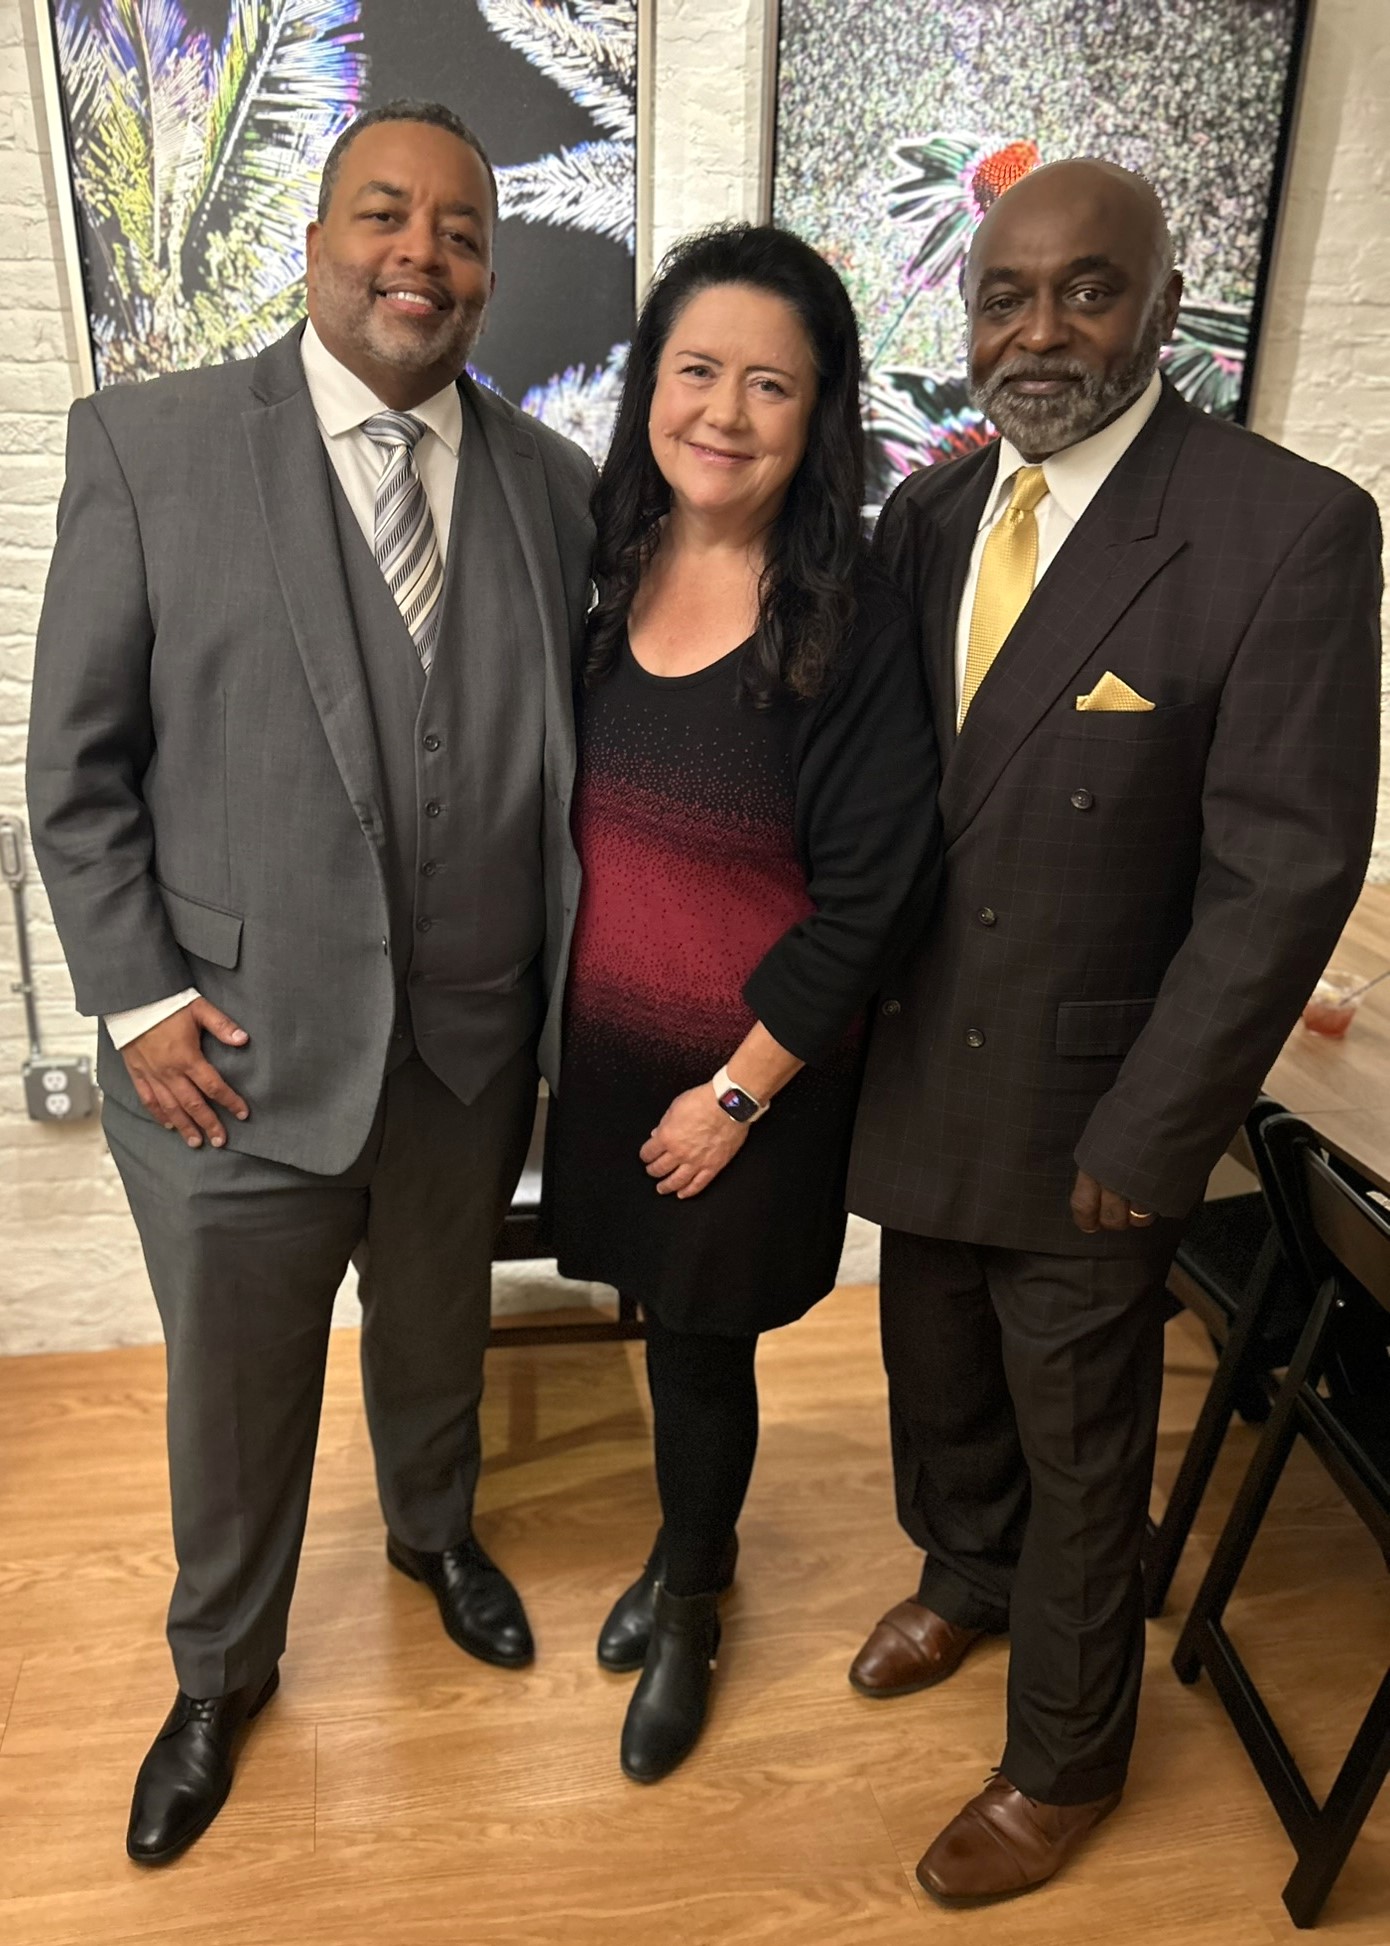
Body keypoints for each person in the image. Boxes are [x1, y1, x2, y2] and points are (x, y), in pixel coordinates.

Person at [26, 101, 596, 1864]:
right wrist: (138, 1002)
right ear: (316, 241)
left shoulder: (557, 488)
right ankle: (221, 1671)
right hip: (231, 1062)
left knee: (437, 1338)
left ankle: (433, 1531)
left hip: (464, 1058)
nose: (421, 254)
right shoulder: (151, 446)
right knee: (234, 1396)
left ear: (489, 273)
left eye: (460, 232)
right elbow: (74, 769)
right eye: (383, 215)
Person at [846, 157, 1383, 1903]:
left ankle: (1064, 1756)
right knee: (933, 1366)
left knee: (1078, 1435)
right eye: (1003, 295)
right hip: (919, 1059)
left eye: (1085, 291)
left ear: (1161, 305)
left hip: (1096, 1102)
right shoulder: (929, 516)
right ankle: (965, 1571)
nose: (1039, 332)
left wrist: (1158, 1126)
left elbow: (1281, 875)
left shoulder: (1282, 528)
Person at [544, 224, 941, 1783]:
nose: (722, 411)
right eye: (694, 370)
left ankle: (695, 1602)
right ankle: (678, 1547)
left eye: (767, 384)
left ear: (818, 409)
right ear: (650, 383)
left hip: (748, 1077)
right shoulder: (608, 566)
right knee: (663, 1329)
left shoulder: (845, 619)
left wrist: (732, 1094)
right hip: (612, 1054)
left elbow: (870, 899)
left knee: (705, 1346)